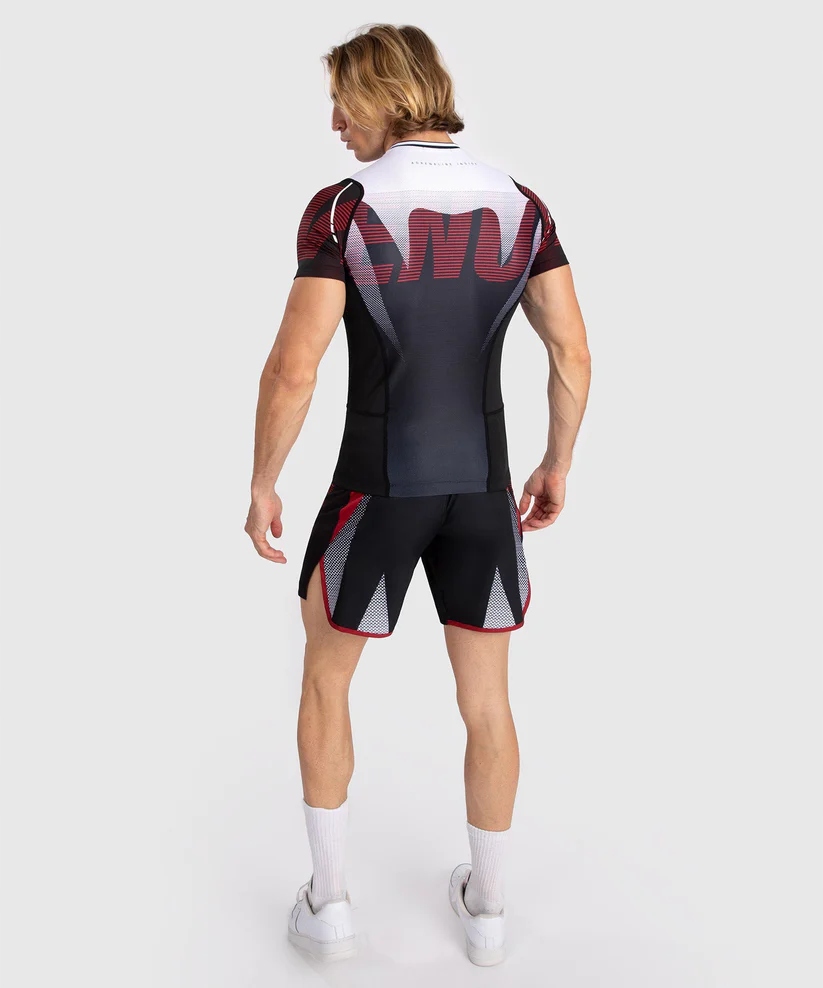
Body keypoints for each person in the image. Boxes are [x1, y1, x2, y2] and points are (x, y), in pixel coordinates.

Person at [245, 23, 591, 966]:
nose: (334, 123)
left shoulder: (345, 208)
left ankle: (330, 906)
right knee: (488, 702)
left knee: (326, 678)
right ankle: (488, 911)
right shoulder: (520, 203)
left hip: (376, 492)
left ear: (385, 97)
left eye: (342, 102)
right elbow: (571, 351)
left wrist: (263, 481)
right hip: (482, 492)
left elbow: (292, 368)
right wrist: (555, 463)